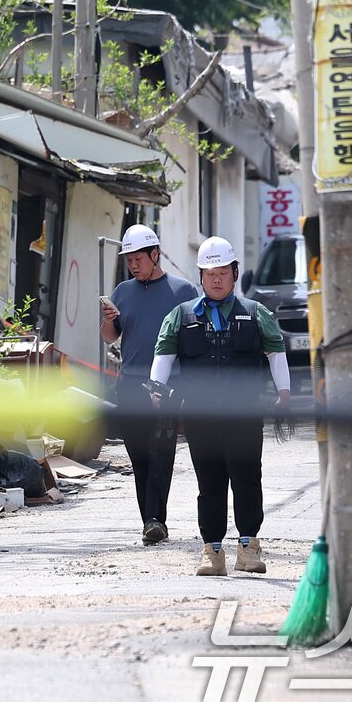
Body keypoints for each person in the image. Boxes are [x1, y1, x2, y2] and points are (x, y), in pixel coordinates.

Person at [149, 236, 290, 576]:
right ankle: (212, 551)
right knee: (209, 483)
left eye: (223, 271)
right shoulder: (181, 316)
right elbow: (164, 356)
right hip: (200, 417)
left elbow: (276, 353)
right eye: (209, 272)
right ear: (201, 276)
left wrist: (283, 393)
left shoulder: (257, 314)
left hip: (244, 415)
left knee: (246, 479)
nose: (216, 278)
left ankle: (248, 547)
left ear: (235, 273)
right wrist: (156, 392)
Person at [100, 224, 199, 545]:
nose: (133, 265)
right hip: (129, 385)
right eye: (129, 260)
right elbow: (110, 337)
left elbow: (195, 339)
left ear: (156, 255)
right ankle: (149, 520)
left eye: (138, 258)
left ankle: (157, 519)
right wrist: (107, 319)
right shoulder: (122, 292)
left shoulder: (183, 291)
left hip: (167, 387)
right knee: (139, 456)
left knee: (161, 454)